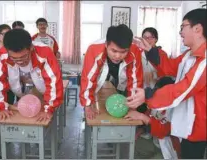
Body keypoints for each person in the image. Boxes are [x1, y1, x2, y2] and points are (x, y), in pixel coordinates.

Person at [126, 8, 206, 159]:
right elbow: (169, 67)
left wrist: (148, 95)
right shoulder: (188, 55)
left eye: (183, 27)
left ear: (197, 28)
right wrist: (151, 51)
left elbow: (182, 89)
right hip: (183, 121)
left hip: (196, 127)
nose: (180, 32)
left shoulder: (204, 60)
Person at [79, 24, 143, 120]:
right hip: (103, 68)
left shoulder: (135, 50)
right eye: (114, 51)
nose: (118, 56)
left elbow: (135, 80)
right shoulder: (94, 49)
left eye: (123, 52)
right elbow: (88, 78)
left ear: (129, 48)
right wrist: (87, 105)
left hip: (120, 71)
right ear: (106, 44)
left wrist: (133, 106)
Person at [0, 29, 63, 122]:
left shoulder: (44, 52)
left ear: (31, 47)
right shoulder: (2, 54)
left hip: (43, 90)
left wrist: (48, 109)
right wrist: (2, 107)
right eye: (14, 58)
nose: (20, 62)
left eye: (23, 56)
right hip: (20, 91)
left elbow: (53, 81)